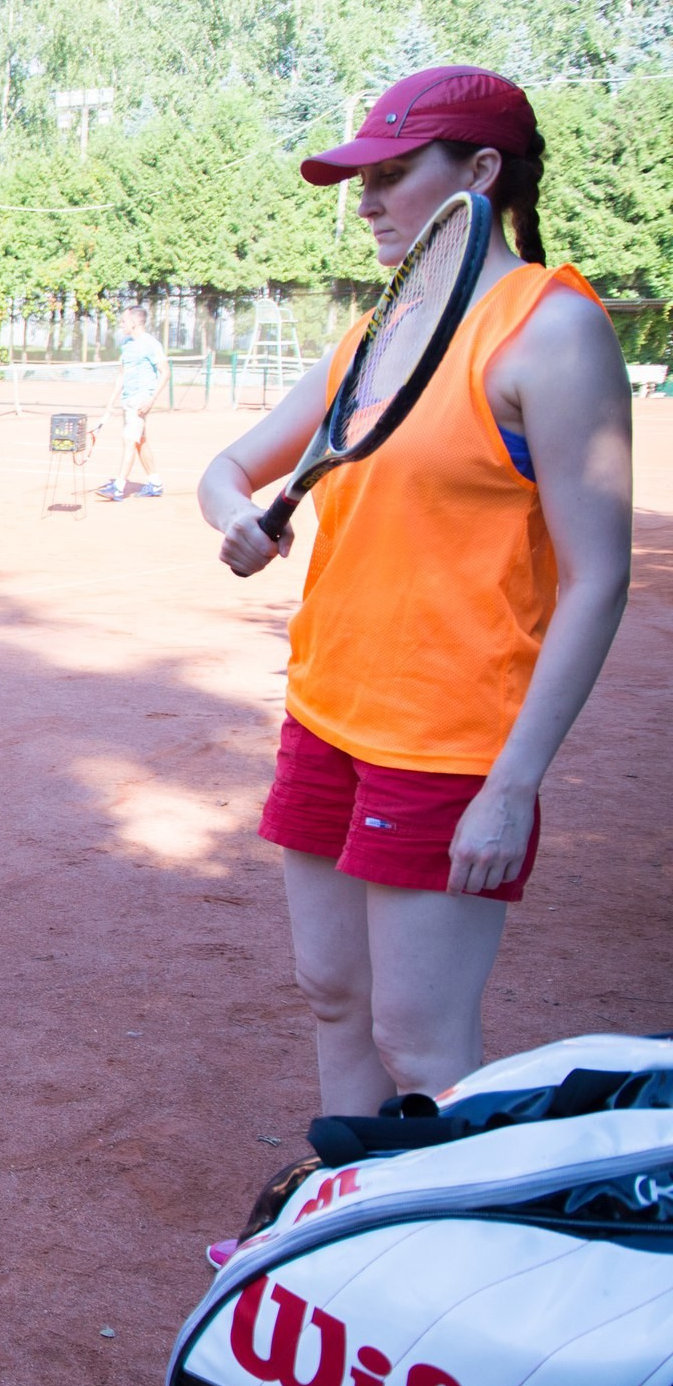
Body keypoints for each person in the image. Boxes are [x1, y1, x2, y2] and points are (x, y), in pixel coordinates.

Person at [200, 65, 631, 1125]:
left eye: (394, 174)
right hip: (326, 715)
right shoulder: (375, 334)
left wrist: (513, 783)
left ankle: (447, 1256)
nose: (367, 199)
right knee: (332, 999)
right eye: (362, 178)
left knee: (421, 1040)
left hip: (448, 744)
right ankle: (346, 1219)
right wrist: (234, 520)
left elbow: (598, 576)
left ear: (481, 173)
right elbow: (230, 467)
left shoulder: (551, 331)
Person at [94, 305, 168, 501]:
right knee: (139, 442)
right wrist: (111, 402)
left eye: (124, 321)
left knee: (129, 440)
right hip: (128, 400)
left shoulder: (151, 345)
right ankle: (155, 483)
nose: (121, 324)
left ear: (134, 323)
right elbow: (122, 374)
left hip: (140, 401)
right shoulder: (126, 344)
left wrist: (151, 399)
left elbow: (165, 373)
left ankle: (118, 487)